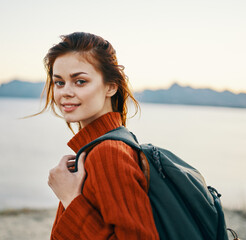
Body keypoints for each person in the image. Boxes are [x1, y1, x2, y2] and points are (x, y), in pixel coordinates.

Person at [41, 32, 159, 239]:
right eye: (59, 82)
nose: (64, 92)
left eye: (80, 81)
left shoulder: (108, 153)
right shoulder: (107, 145)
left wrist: (70, 198)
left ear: (111, 87)